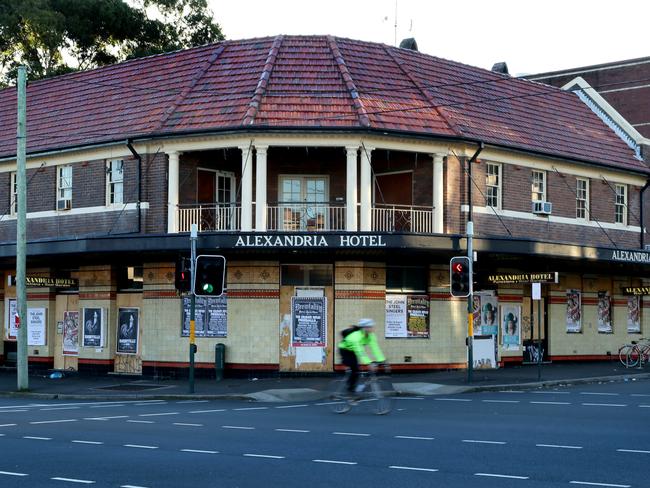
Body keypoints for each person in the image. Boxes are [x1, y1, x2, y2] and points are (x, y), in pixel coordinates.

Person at [338, 318, 386, 395]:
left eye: (372, 326)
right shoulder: (356, 336)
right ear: (365, 328)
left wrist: (382, 360)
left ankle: (350, 377)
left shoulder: (371, 335)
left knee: (356, 369)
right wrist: (369, 363)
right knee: (355, 369)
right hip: (345, 350)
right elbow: (360, 352)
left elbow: (375, 348)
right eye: (370, 327)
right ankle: (350, 388)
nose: (372, 328)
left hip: (353, 350)